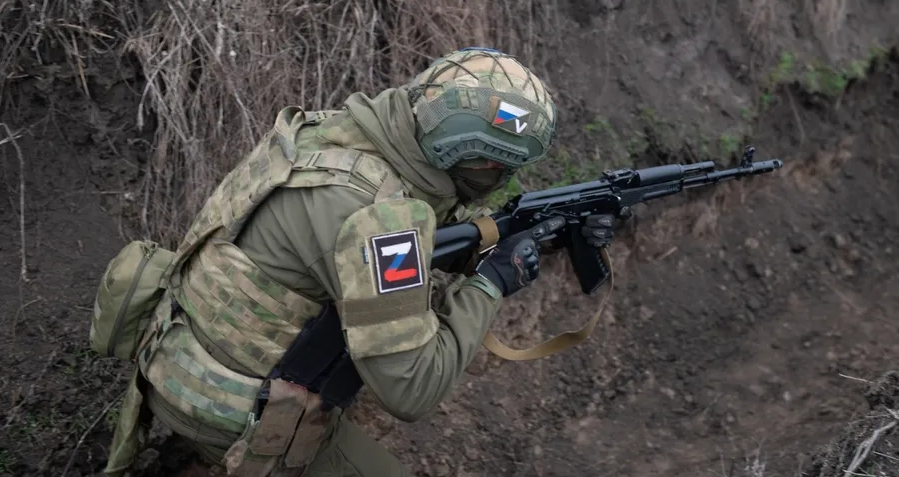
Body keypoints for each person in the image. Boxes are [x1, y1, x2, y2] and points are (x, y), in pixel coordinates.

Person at [102, 47, 616, 477]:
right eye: (503, 167)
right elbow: (412, 390)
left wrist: (539, 237)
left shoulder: (336, 138)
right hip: (223, 404)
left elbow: (399, 259)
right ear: (474, 157)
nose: (505, 181)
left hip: (173, 349)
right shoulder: (377, 217)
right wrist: (490, 284)